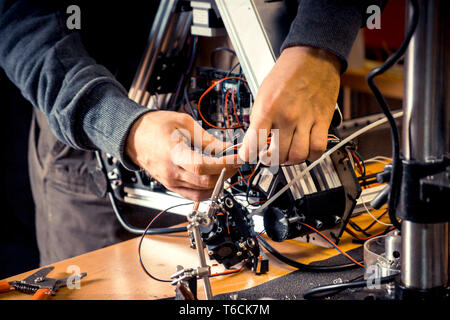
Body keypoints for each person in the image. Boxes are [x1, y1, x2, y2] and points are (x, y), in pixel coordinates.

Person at [0, 0, 384, 266]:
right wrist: (123, 127)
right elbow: (20, 24)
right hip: (94, 145)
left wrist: (320, 44)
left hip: (270, 99)